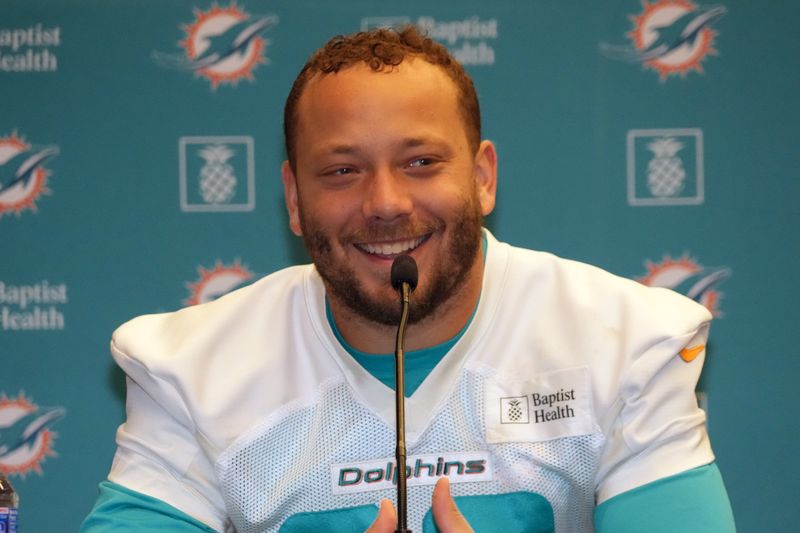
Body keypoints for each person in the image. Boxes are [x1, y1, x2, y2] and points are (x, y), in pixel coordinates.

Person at [81, 26, 736, 532]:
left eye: (420, 161)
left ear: (482, 177)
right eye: (342, 170)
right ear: (292, 195)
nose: (385, 201)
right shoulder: (194, 368)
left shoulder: (625, 343)